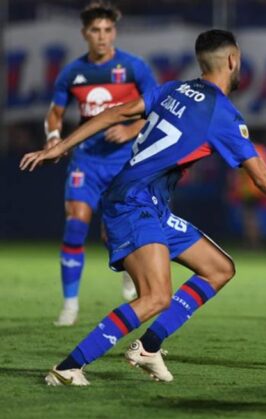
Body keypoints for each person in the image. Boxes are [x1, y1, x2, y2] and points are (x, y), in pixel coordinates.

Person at [21, 29, 266, 386]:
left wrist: (59, 146)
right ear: (233, 60)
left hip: (149, 205)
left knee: (218, 268)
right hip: (135, 204)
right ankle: (69, 367)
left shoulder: (174, 89)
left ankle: (148, 346)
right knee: (156, 297)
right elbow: (263, 176)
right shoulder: (221, 113)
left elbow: (117, 113)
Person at [46, 2, 157, 326]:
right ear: (85, 34)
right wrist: (54, 136)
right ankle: (69, 305)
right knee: (76, 224)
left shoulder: (134, 67)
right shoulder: (73, 72)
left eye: (108, 30)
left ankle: (126, 271)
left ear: (115, 33)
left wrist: (131, 129)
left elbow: (158, 107)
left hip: (125, 163)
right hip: (86, 161)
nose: (102, 36)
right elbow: (55, 112)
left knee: (114, 235)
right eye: (95, 30)